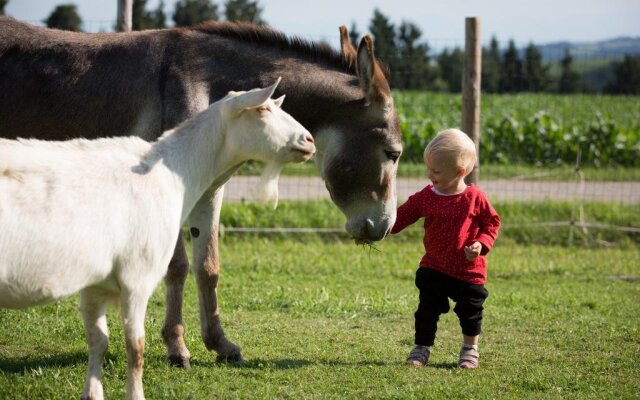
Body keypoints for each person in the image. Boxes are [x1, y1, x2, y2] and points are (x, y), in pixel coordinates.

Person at [391, 128, 501, 369]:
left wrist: (481, 244)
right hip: (435, 266)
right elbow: (404, 215)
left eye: (436, 171)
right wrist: (378, 229)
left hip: (468, 270)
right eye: (428, 168)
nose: (430, 174)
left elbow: (492, 223)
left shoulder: (474, 198)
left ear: (460, 171)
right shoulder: (427, 196)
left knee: (471, 312)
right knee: (426, 310)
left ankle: (470, 349)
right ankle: (421, 349)